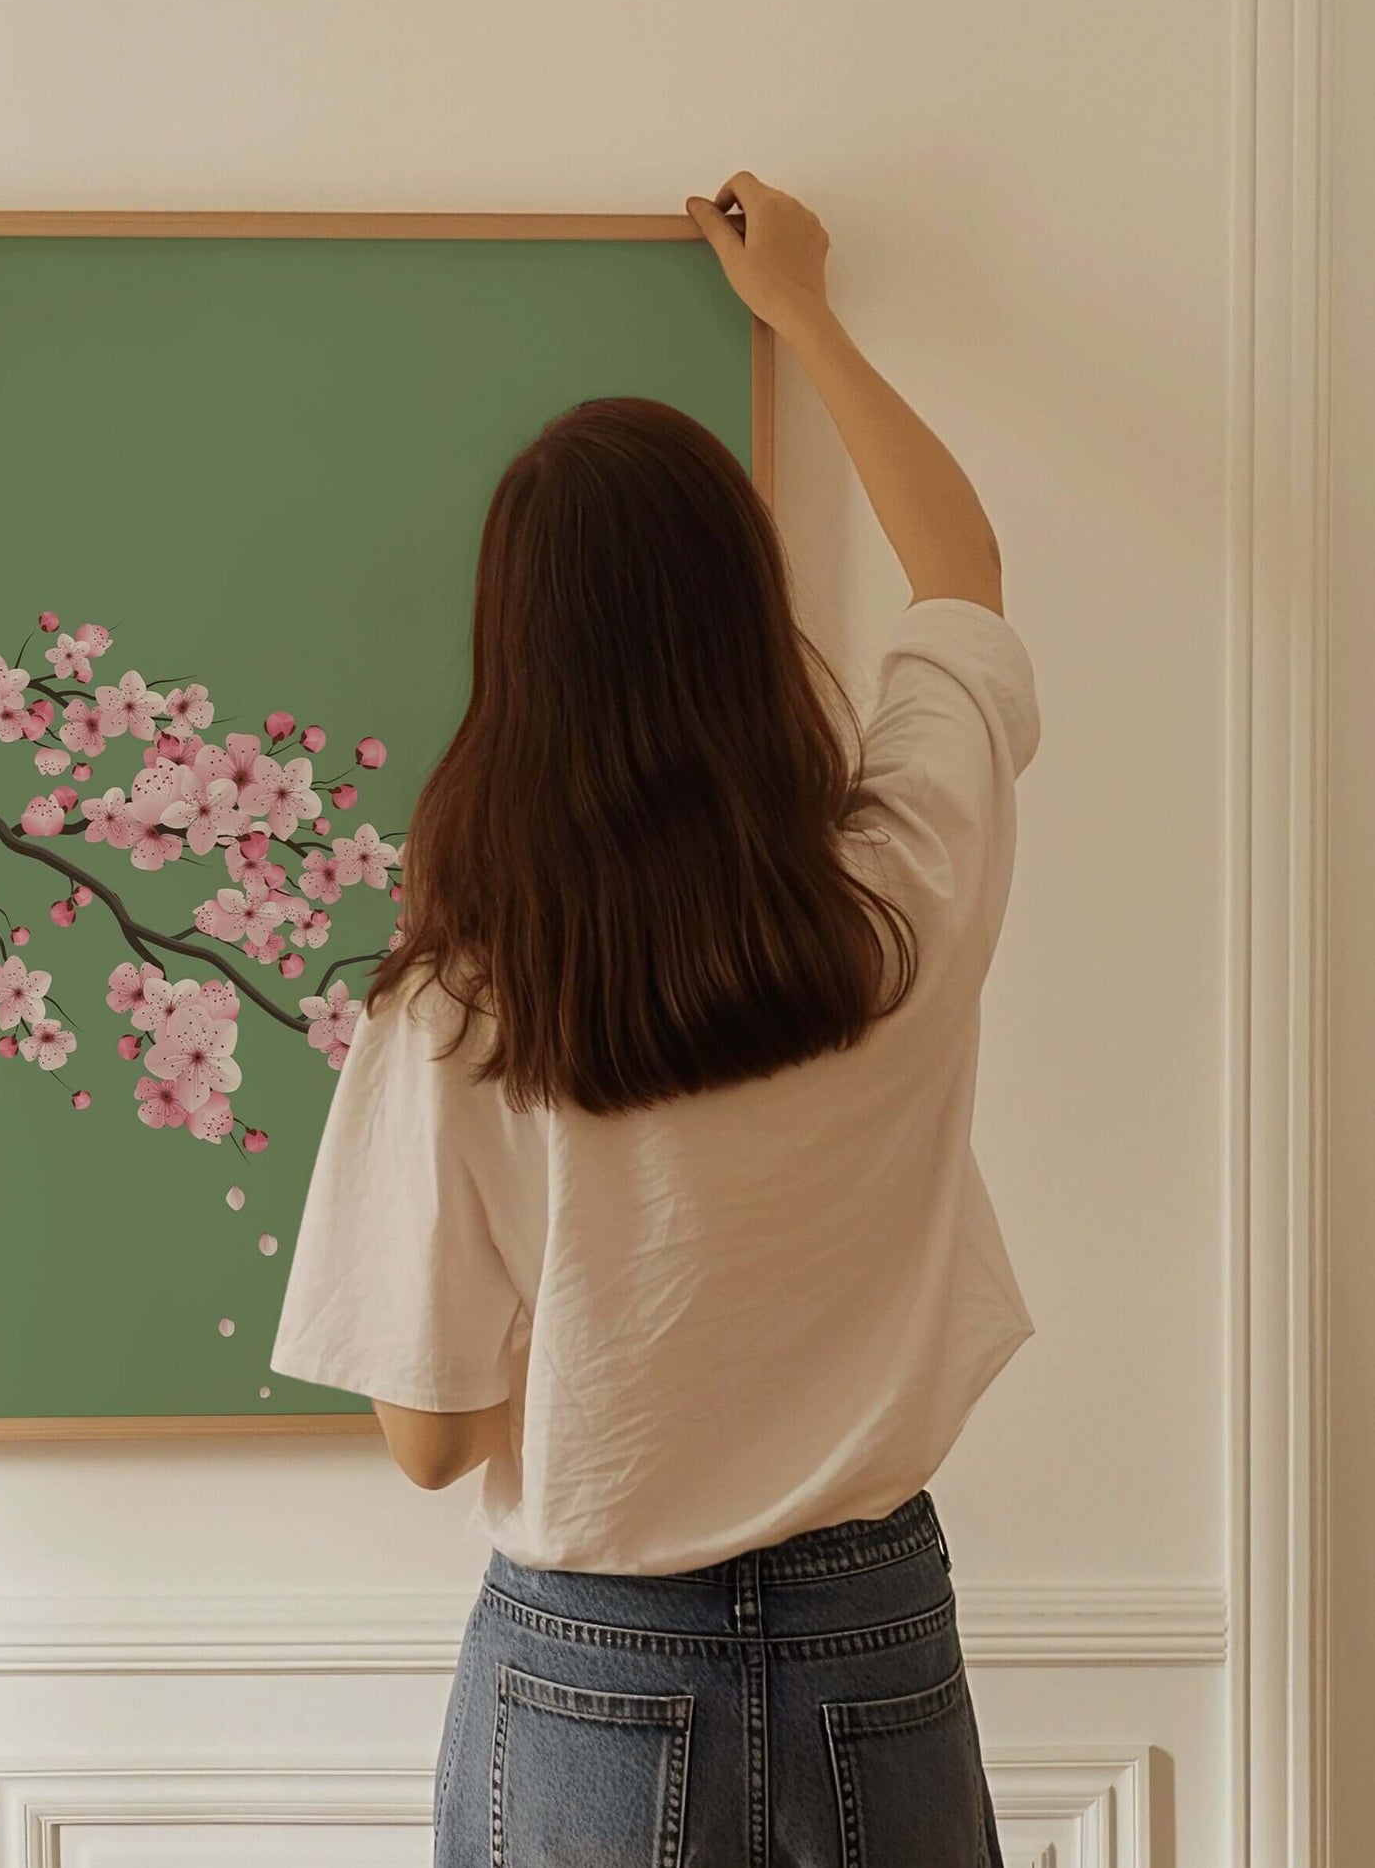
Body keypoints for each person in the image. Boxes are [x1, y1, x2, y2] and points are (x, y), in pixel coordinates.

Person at [268, 170, 1037, 1867]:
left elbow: (427, 1439)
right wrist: (806, 316)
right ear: (750, 623)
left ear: (514, 662)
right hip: (873, 1635)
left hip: (587, 1668)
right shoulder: (899, 886)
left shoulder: (463, 1000)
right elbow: (960, 574)